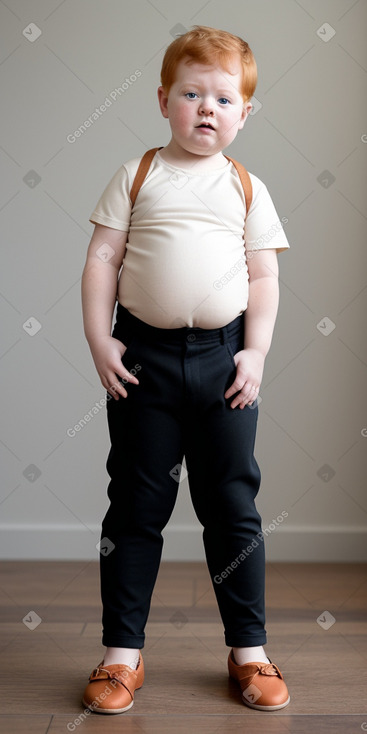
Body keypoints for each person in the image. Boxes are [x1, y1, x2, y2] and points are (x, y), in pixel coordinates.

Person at [81, 25, 290, 715]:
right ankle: (120, 655)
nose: (207, 109)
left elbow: (262, 277)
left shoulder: (246, 187)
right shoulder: (136, 174)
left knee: (232, 505)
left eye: (223, 99)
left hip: (223, 362)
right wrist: (99, 341)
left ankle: (249, 652)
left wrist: (254, 352)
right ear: (164, 99)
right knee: (137, 506)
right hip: (142, 360)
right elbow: (102, 261)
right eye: (191, 94)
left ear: (244, 113)